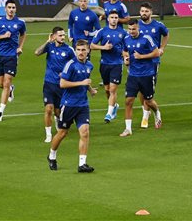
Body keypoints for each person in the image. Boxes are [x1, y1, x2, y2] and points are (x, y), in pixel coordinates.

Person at [47, 40, 97, 173]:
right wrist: (82, 83)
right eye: (78, 50)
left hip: (83, 105)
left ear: (88, 51)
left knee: (85, 132)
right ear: (75, 51)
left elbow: (85, 80)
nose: (81, 52)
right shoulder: (70, 65)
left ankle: (82, 164)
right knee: (62, 133)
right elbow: (62, 83)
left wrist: (90, 89)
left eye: (83, 50)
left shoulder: (89, 65)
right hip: (68, 105)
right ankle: (52, 156)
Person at [119, 19, 162, 137]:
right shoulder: (126, 39)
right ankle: (128, 129)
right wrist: (126, 58)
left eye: (133, 29)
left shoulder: (146, 38)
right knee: (128, 101)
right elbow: (125, 51)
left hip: (147, 75)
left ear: (138, 28)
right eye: (129, 29)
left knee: (148, 101)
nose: (131, 31)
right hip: (133, 75)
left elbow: (156, 53)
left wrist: (141, 56)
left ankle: (157, 112)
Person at [35, 27, 76, 143]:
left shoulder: (69, 50)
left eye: (63, 35)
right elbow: (37, 53)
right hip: (49, 84)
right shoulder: (49, 46)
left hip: (61, 85)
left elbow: (75, 64)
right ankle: (48, 134)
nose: (63, 37)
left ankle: (58, 119)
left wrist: (66, 74)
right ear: (54, 36)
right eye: (60, 35)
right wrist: (47, 41)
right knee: (48, 109)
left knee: (58, 112)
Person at [0, 0, 27, 122]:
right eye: (9, 7)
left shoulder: (20, 22)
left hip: (12, 56)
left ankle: (0, 112)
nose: (11, 10)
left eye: (13, 8)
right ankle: (11, 89)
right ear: (5, 9)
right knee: (1, 84)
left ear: (15, 9)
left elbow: (23, 34)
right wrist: (3, 36)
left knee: (6, 83)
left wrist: (20, 47)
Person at [90, 10, 127, 123]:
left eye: (116, 17)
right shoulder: (102, 31)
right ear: (108, 19)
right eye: (112, 17)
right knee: (107, 90)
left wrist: (125, 56)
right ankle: (114, 106)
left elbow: (127, 47)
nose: (114, 19)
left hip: (117, 64)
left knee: (112, 89)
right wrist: (103, 48)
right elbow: (91, 45)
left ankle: (109, 113)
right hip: (104, 64)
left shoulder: (123, 32)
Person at [137, 2, 169, 129]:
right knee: (140, 89)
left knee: (148, 90)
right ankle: (145, 110)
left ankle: (145, 116)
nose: (144, 13)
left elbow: (166, 34)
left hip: (153, 62)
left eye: (146, 11)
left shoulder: (158, 25)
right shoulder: (137, 25)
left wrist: (162, 48)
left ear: (151, 12)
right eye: (142, 11)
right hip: (139, 62)